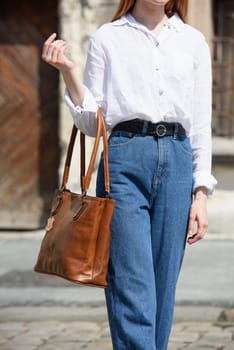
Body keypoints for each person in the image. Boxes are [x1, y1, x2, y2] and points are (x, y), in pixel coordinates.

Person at [42, 0, 217, 348]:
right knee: (131, 284)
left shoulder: (193, 41)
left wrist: (201, 192)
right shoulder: (108, 38)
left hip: (179, 161)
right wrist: (69, 73)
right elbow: (94, 124)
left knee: (163, 287)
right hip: (124, 158)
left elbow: (200, 123)